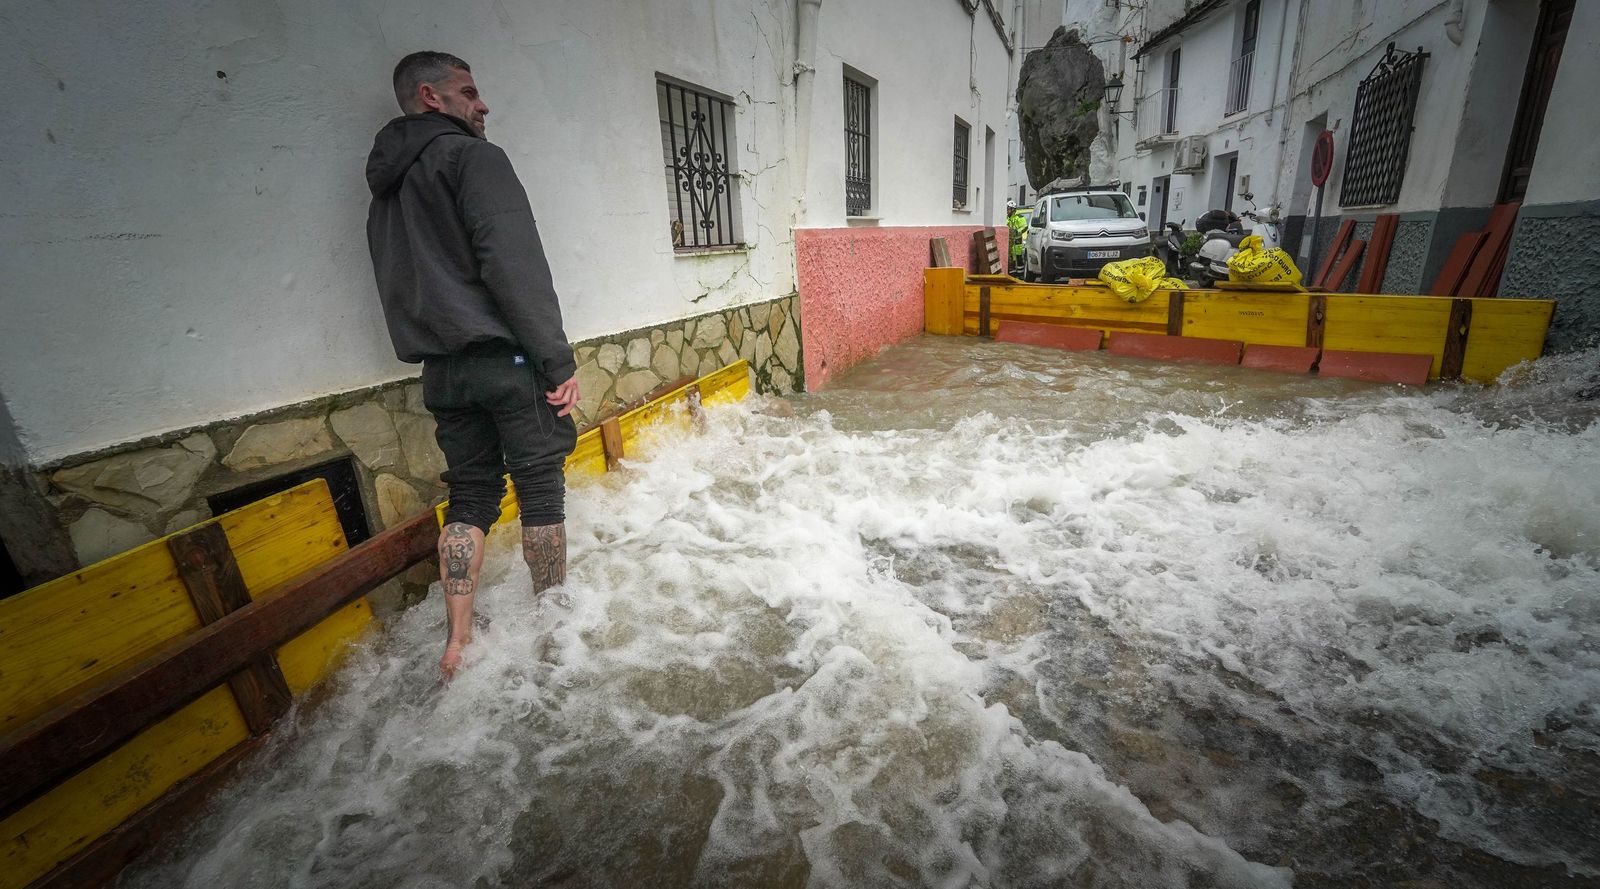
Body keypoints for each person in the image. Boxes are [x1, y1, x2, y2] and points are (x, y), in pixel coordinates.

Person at [365, 51, 580, 678]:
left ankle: (457, 640)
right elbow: (512, 263)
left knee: (470, 499)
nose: (482, 104)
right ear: (432, 97)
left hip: (442, 371)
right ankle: (553, 627)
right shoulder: (473, 158)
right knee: (539, 490)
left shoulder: (388, 189)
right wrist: (555, 360)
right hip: (505, 359)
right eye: (470, 91)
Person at [1006, 200, 1028, 273]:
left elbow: (1024, 227)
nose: (1007, 211)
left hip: (1017, 240)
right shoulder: (1007, 218)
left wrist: (1017, 231)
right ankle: (1012, 270)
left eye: (1008, 209)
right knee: (1011, 256)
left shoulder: (1019, 217)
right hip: (1010, 240)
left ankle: (1020, 272)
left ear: (1013, 209)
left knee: (1018, 256)